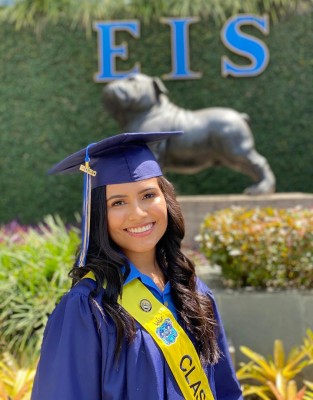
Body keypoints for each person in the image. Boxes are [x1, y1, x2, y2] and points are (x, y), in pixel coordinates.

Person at [31, 131, 243, 400]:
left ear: (165, 199)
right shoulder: (88, 308)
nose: (138, 213)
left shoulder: (193, 293)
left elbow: (225, 392)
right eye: (118, 202)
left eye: (148, 195)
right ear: (98, 214)